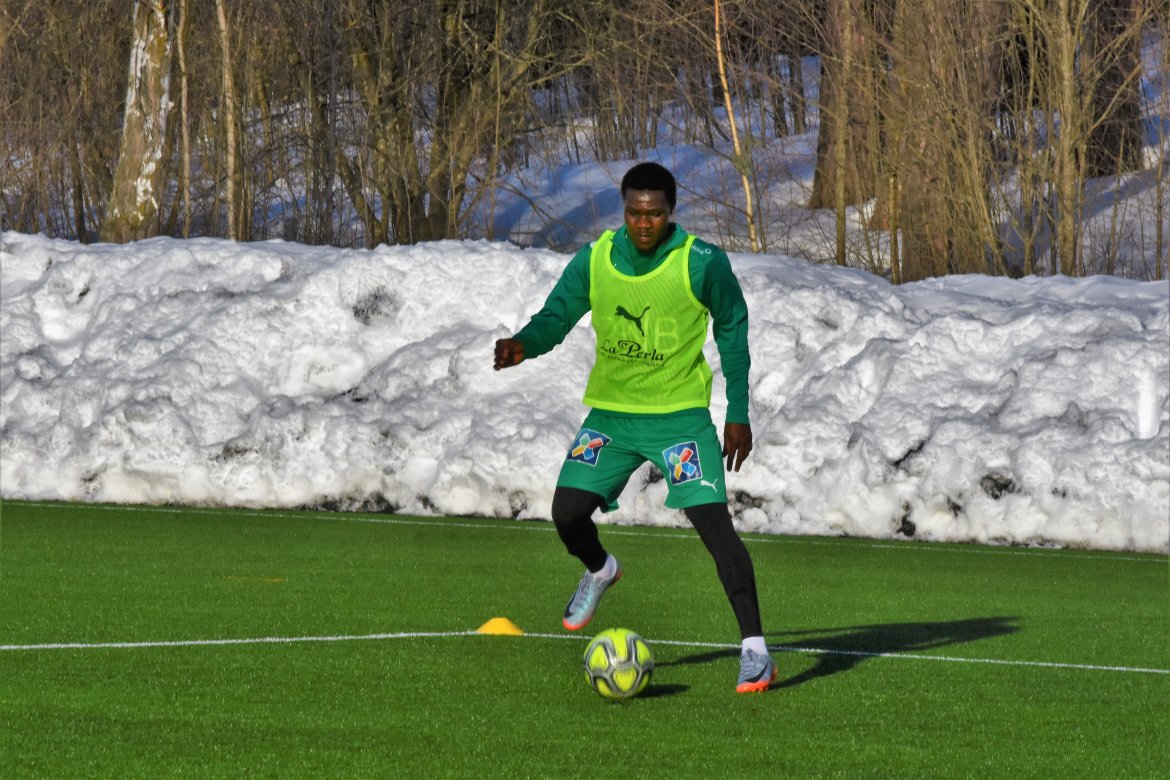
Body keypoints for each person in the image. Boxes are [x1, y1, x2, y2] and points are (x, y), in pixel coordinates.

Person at [493, 162, 775, 693]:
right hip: (613, 418)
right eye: (634, 213)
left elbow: (733, 330)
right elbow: (557, 316)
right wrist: (523, 344)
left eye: (655, 214)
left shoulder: (701, 262)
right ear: (624, 210)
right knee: (566, 513)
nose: (644, 223)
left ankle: (756, 651)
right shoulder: (596, 258)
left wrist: (737, 412)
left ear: (671, 212)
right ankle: (600, 569)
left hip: (679, 419)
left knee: (716, 531)